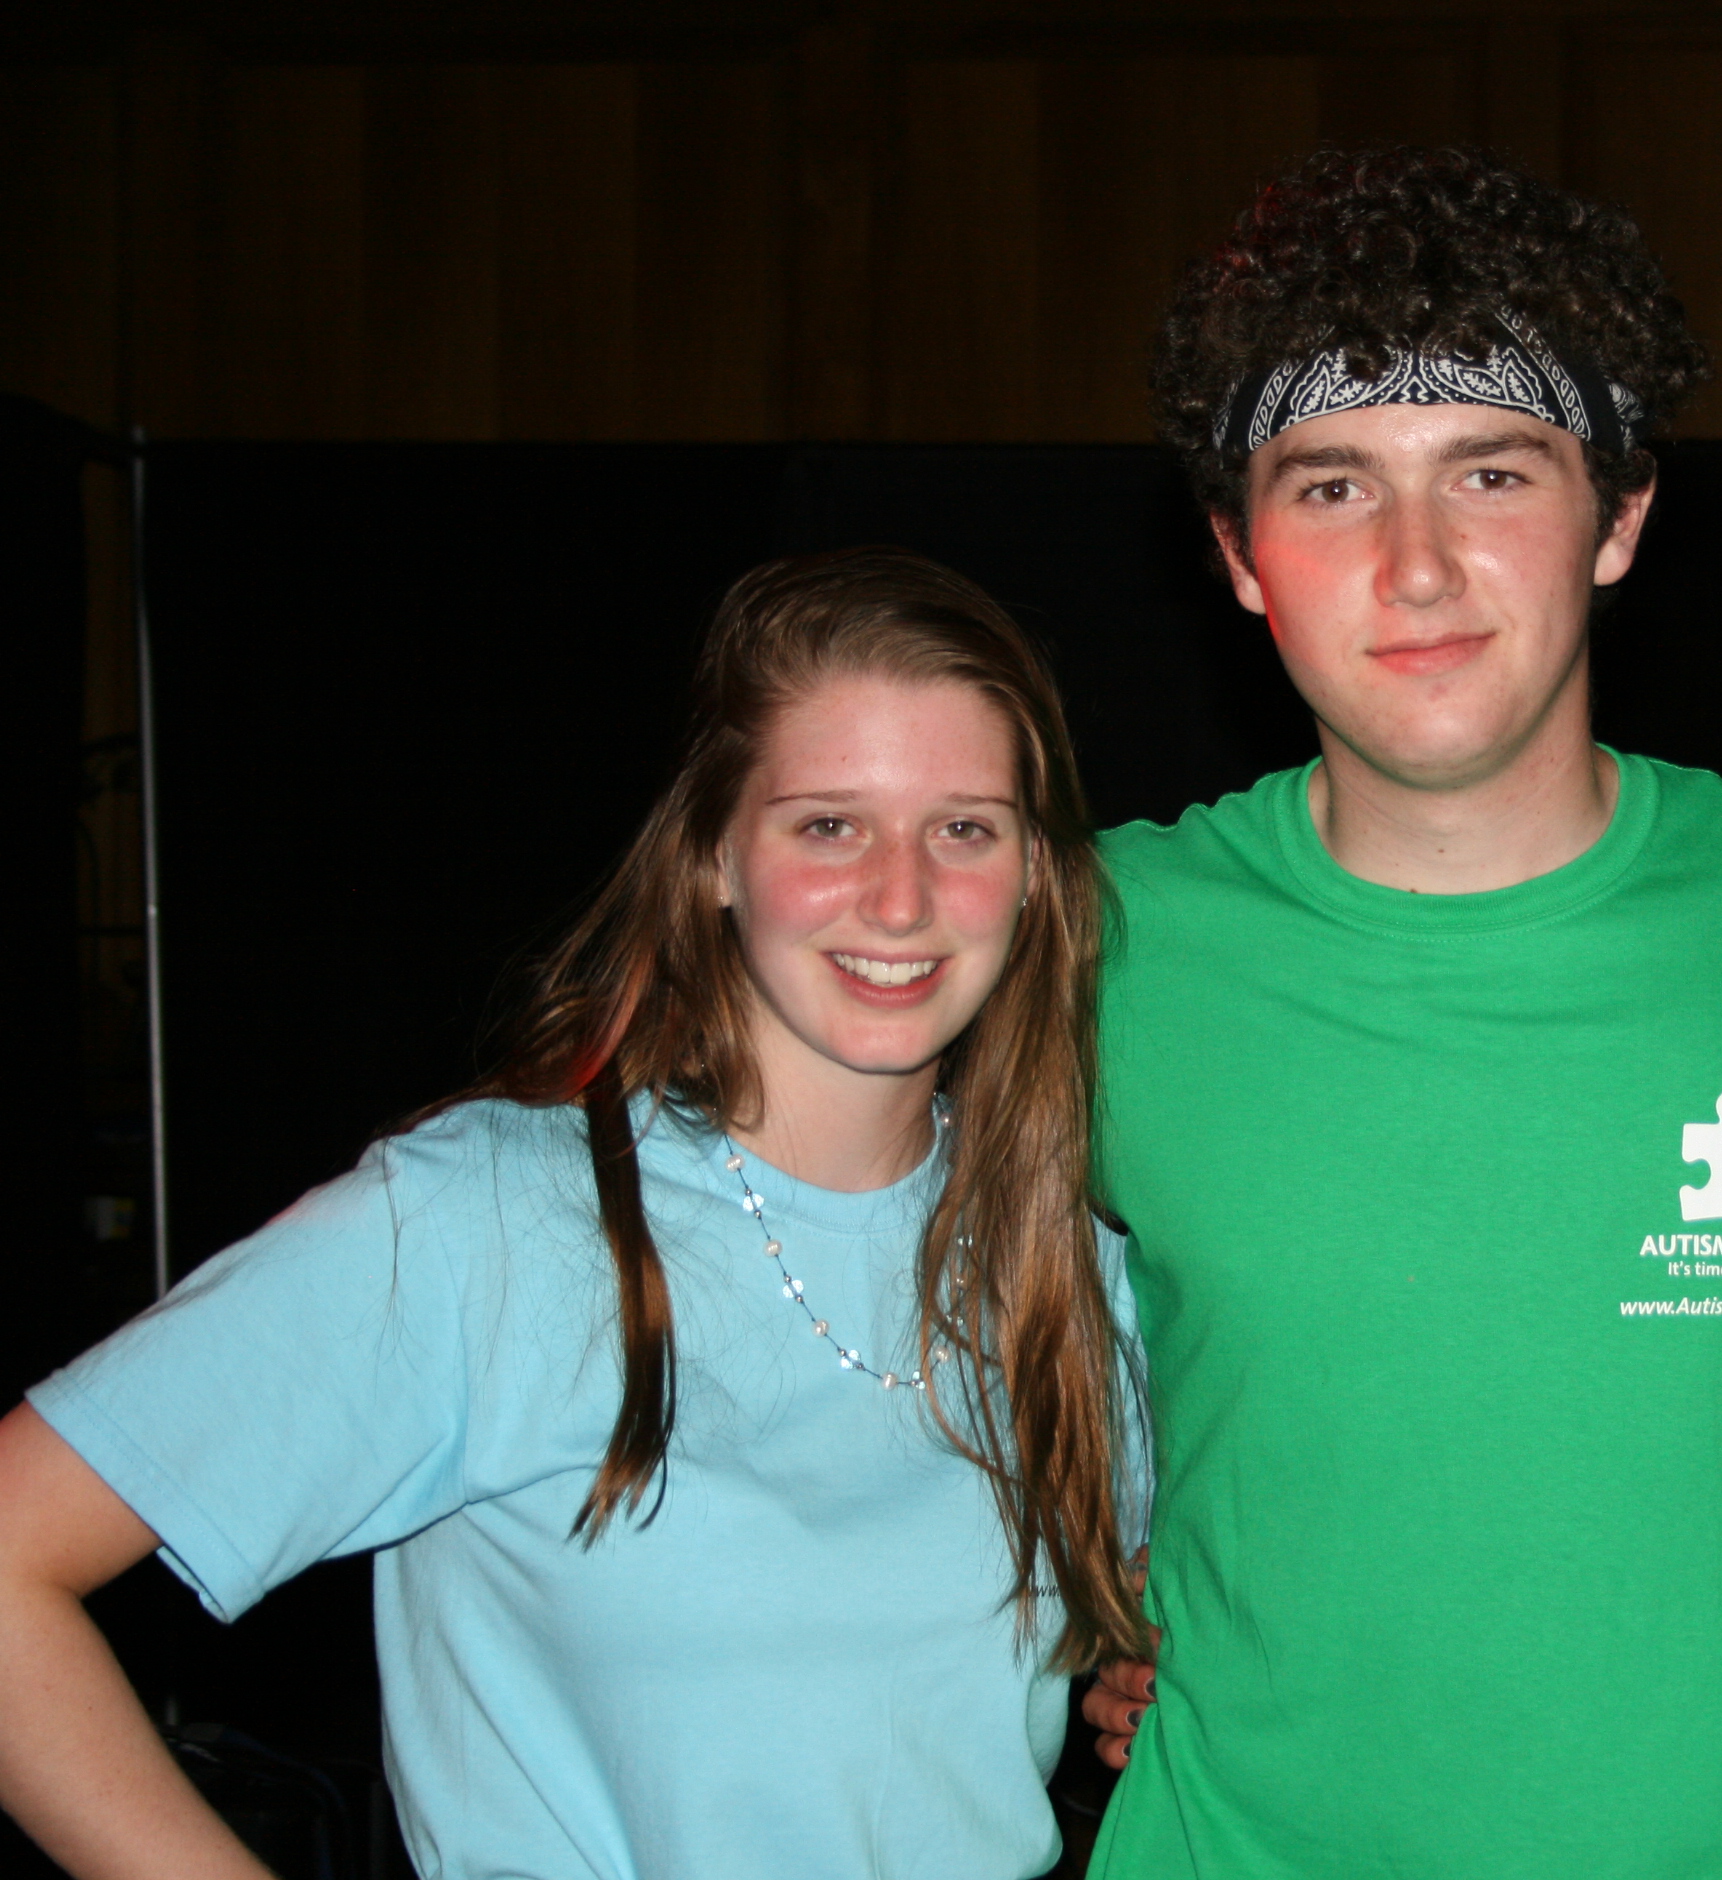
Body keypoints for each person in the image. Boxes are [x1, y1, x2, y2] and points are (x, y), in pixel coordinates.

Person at [1075, 146, 1722, 1877]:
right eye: (1332, 485)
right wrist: (1067, 1592)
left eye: (1490, 472)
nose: (1415, 566)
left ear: (1619, 519)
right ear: (1240, 554)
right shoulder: (1089, 940)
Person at [0, 550, 1148, 1879]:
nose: (901, 898)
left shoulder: (1070, 1256)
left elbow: (1109, 1637)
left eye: (964, 829)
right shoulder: (487, 1221)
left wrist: (1138, 1672)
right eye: (830, 826)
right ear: (715, 854)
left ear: (1036, 872)